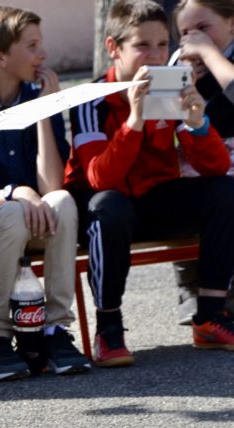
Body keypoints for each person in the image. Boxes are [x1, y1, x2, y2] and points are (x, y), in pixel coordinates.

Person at [64, 0, 234, 368]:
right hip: (102, 208)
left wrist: (198, 124)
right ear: (113, 48)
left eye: (162, 45)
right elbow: (99, 178)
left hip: (153, 200)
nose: (156, 56)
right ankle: (109, 329)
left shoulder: (168, 86)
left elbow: (215, 166)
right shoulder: (92, 98)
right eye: (143, 46)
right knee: (110, 205)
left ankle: (209, 317)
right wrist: (135, 121)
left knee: (225, 190)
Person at [0, 5, 91, 381]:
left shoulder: (37, 96)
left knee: (63, 201)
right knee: (10, 211)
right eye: (32, 45)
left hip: (31, 222)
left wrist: (45, 109)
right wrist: (15, 192)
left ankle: (54, 331)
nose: (42, 55)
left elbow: (52, 187)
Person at [168, 0, 234, 325]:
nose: (193, 39)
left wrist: (210, 53)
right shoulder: (181, 65)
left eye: (203, 29)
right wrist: (184, 83)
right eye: (185, 33)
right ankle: (190, 288)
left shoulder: (219, 60)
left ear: (231, 24)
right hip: (199, 162)